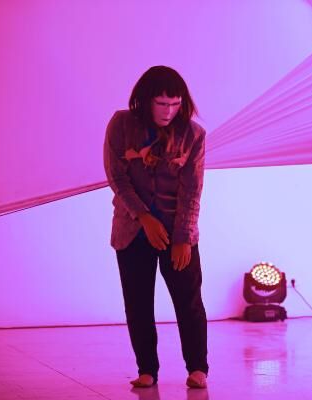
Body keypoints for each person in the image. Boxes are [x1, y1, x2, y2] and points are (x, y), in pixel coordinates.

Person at [103, 66, 208, 389]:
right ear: (146, 100)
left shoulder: (193, 135)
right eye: (162, 104)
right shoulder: (121, 125)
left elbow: (192, 191)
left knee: (189, 301)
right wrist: (144, 218)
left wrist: (183, 239)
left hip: (177, 232)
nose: (168, 111)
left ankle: (198, 368)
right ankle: (147, 368)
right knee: (137, 302)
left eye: (175, 104)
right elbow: (117, 178)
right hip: (132, 231)